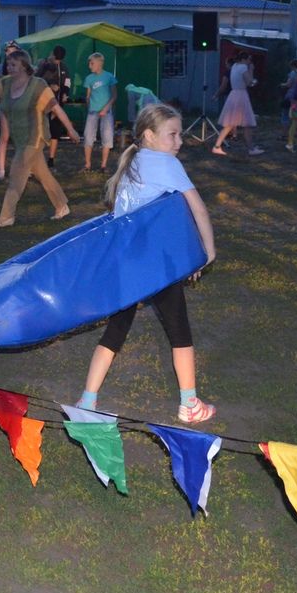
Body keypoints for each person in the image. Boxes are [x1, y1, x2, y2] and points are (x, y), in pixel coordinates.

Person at [73, 102, 217, 424]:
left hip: (127, 263)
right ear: (150, 136)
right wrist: (208, 252)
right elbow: (199, 210)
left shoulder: (134, 161)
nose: (179, 141)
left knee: (116, 330)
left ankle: (87, 400)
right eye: (173, 134)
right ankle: (189, 404)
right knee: (180, 332)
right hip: (155, 266)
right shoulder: (166, 164)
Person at [0, 48, 77, 226]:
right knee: (43, 174)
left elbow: (56, 107)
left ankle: (7, 216)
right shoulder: (7, 83)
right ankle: (62, 206)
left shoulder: (38, 84)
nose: (9, 68)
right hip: (19, 139)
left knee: (17, 174)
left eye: (13, 64)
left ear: (24, 66)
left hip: (35, 137)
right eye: (8, 64)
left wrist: (70, 129)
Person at [212, 51, 260, 156]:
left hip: (233, 95)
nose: (250, 62)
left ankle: (217, 146)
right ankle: (251, 149)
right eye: (249, 59)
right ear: (244, 59)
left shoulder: (234, 66)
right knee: (247, 124)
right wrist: (251, 71)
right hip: (241, 95)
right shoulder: (243, 67)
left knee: (229, 124)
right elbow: (249, 83)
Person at [35, 45, 71, 170]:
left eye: (59, 60)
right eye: (56, 59)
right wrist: (50, 85)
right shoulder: (43, 64)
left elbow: (67, 82)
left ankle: (51, 160)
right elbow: (37, 79)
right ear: (52, 54)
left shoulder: (64, 67)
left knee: (55, 132)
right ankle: (36, 159)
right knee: (39, 132)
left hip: (57, 103)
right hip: (42, 104)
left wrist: (65, 93)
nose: (57, 62)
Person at [82, 52, 117, 172]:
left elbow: (114, 95)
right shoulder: (89, 78)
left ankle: (103, 165)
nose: (89, 66)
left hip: (106, 112)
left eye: (92, 63)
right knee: (88, 136)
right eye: (89, 64)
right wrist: (90, 107)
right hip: (92, 112)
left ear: (99, 63)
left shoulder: (109, 77)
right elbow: (88, 96)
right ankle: (87, 165)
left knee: (107, 137)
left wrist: (106, 108)